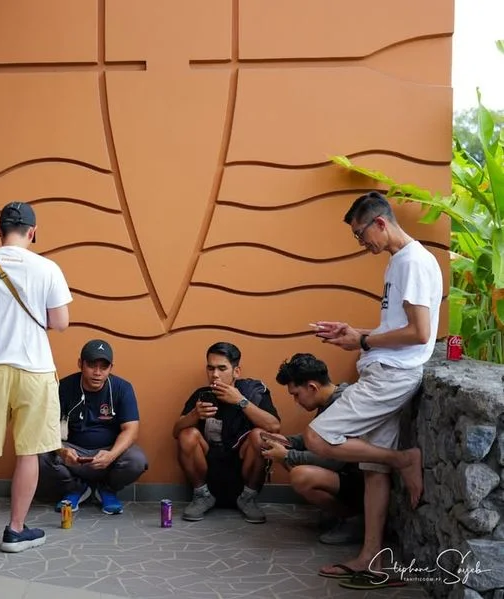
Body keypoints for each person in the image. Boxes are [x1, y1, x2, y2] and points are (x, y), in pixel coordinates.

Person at [305, 191, 441, 583]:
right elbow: (399, 329)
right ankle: (372, 557)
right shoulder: (401, 261)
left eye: (361, 234)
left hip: (392, 376)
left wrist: (364, 342)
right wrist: (356, 333)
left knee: (316, 437)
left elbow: (419, 333)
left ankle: (405, 459)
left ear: (380, 223)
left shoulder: (412, 262)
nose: (362, 243)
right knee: (372, 469)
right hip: (387, 370)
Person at [0, 201, 72, 553]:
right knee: (28, 452)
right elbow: (61, 322)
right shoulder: (48, 267)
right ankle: (16, 530)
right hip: (35, 370)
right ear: (32, 232)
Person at [174, 342, 281, 524]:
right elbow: (176, 432)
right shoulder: (202, 394)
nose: (215, 374)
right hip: (210, 470)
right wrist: (194, 415)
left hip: (243, 468)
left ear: (236, 371)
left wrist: (241, 401)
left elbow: (274, 427)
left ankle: (248, 498)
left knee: (259, 435)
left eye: (222, 368)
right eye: (210, 368)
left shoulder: (253, 392)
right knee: (187, 434)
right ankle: (202, 496)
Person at [38, 339, 148, 515]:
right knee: (39, 456)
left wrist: (111, 455)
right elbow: (46, 428)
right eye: (91, 365)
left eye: (103, 367)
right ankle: (75, 489)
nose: (97, 373)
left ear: (111, 368)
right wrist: (61, 451)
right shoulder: (64, 387)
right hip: (73, 453)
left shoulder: (123, 388)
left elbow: (131, 430)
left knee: (137, 460)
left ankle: (106, 490)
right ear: (80, 364)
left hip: (108, 453)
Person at [267, 353, 363, 545]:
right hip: (345, 475)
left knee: (300, 475)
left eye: (296, 394)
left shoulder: (342, 405)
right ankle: (337, 514)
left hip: (361, 481)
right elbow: (321, 438)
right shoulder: (330, 400)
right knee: (293, 463)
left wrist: (287, 455)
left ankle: (354, 520)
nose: (296, 401)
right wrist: (288, 441)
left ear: (312, 387)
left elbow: (334, 459)